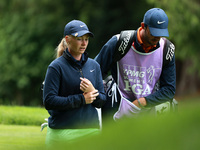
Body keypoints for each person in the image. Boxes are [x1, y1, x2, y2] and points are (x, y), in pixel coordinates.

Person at [95, 8, 176, 121]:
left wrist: (142, 102)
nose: (157, 37)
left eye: (161, 33)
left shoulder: (166, 50)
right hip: (116, 107)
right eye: (154, 32)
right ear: (143, 26)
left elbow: (169, 89)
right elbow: (95, 71)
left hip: (149, 109)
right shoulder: (119, 42)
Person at [43, 20, 106, 146]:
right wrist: (82, 99)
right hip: (61, 133)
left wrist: (93, 91)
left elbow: (102, 101)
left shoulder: (94, 66)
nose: (84, 43)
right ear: (68, 39)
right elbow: (49, 101)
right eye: (79, 39)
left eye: (86, 39)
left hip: (90, 132)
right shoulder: (56, 67)